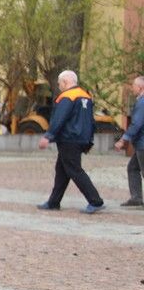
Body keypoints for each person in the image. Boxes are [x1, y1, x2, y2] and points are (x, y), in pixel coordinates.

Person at [37, 69, 105, 213]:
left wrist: (48, 136)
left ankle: (95, 201)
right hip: (80, 138)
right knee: (62, 170)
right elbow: (91, 122)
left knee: (74, 170)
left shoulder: (67, 97)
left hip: (69, 138)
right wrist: (89, 140)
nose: (59, 86)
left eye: (60, 83)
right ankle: (53, 202)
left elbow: (59, 118)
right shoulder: (85, 96)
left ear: (65, 82)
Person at [114, 75, 144, 207]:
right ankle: (136, 198)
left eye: (134, 86)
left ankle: (137, 198)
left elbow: (136, 124)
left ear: (140, 87)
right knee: (133, 168)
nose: (132, 88)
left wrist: (123, 140)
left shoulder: (142, 102)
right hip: (140, 143)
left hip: (143, 143)